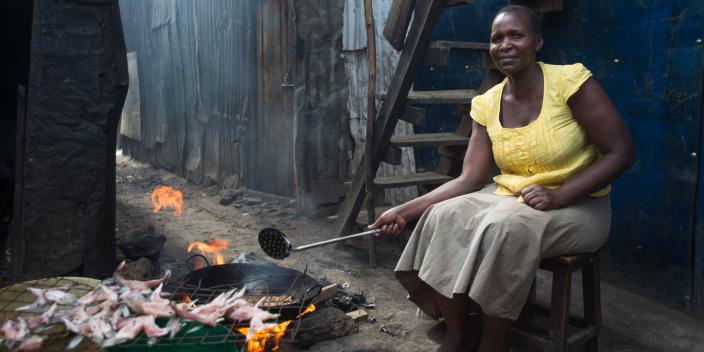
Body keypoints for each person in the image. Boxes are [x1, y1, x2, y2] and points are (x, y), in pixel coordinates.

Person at [369, 5, 635, 352]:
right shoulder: (487, 103)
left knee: (502, 227)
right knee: (444, 215)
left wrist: (560, 196)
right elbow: (468, 180)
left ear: (537, 42)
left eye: (516, 35)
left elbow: (622, 151)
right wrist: (404, 211)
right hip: (511, 197)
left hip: (581, 207)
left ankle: (495, 344)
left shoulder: (570, 83)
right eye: (497, 39)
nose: (505, 44)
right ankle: (458, 335)